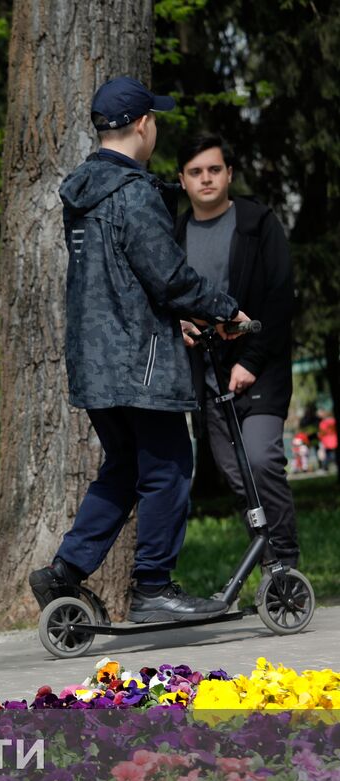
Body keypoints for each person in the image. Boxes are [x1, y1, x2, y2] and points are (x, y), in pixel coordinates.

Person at [29, 78, 249, 621]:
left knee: (125, 466)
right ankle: (153, 587)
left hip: (96, 359)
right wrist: (226, 310)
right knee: (170, 467)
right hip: (141, 362)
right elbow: (168, 277)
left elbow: (121, 278)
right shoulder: (132, 193)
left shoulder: (82, 192)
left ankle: (65, 573)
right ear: (143, 124)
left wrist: (179, 317)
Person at [173, 133, 300, 568]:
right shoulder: (175, 233)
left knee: (261, 459)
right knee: (236, 474)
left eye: (213, 169)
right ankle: (270, 568)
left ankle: (285, 567)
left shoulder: (256, 222)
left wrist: (250, 360)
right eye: (195, 172)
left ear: (228, 174)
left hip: (260, 367)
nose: (205, 179)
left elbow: (280, 297)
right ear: (183, 180)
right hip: (207, 372)